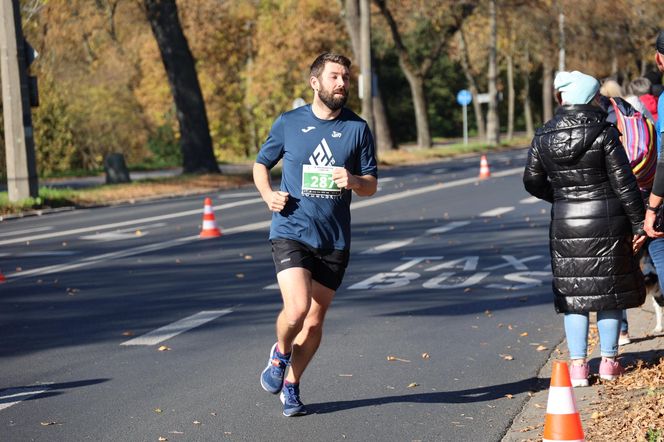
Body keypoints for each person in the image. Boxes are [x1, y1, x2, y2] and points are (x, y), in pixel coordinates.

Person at [253, 52, 378, 417]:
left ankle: (291, 385)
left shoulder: (358, 129)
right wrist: (268, 195)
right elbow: (262, 164)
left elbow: (371, 184)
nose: (342, 83)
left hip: (334, 239)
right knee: (296, 309)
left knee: (315, 320)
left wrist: (354, 181)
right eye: (335, 77)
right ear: (315, 82)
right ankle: (280, 352)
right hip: (291, 229)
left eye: (346, 78)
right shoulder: (290, 123)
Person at [523, 70, 647, 387]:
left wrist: (560, 197)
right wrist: (639, 223)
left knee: (574, 294)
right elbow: (625, 184)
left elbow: (531, 180)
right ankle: (608, 362)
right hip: (608, 219)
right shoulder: (604, 133)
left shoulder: (543, 135)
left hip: (566, 221)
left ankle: (578, 366)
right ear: (590, 97)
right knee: (610, 293)